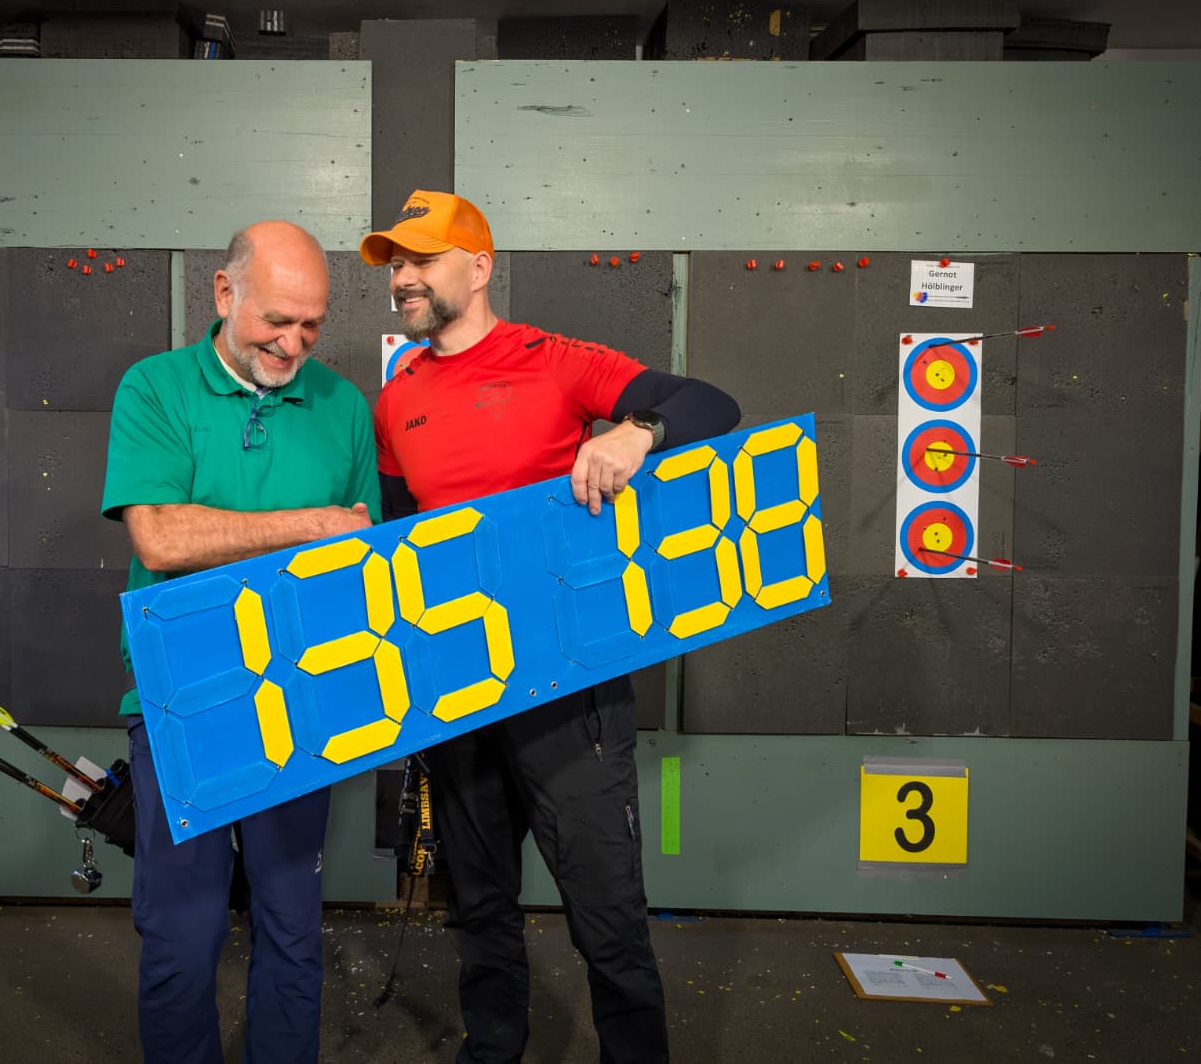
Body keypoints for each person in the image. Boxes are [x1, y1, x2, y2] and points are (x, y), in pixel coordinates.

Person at [362, 191, 741, 1064]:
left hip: (569, 687)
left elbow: (711, 404)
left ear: (479, 267)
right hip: (461, 690)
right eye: (395, 264)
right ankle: (492, 1051)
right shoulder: (396, 399)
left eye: (420, 260)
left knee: (607, 915)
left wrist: (638, 433)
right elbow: (398, 535)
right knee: (480, 909)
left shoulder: (555, 361)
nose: (403, 278)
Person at [102, 219, 378, 1064]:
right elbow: (160, 537)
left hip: (299, 694)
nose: (293, 343)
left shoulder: (343, 407)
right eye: (276, 321)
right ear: (224, 294)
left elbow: (362, 559)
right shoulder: (154, 388)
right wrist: (310, 525)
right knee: (182, 932)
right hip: (181, 697)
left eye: (311, 325)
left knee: (291, 924)